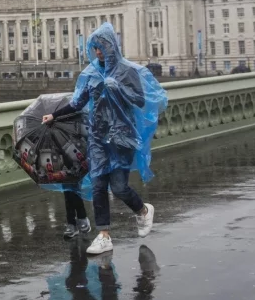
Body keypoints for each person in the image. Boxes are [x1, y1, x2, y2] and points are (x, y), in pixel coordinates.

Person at [43, 23, 167, 255]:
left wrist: (117, 88)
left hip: (122, 136)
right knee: (99, 184)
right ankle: (104, 235)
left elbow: (141, 101)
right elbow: (78, 103)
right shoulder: (90, 73)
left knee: (119, 187)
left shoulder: (128, 71)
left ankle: (143, 211)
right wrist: (55, 115)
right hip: (98, 136)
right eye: (95, 48)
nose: (98, 52)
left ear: (113, 45)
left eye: (102, 47)